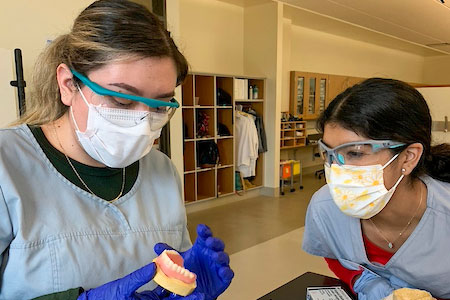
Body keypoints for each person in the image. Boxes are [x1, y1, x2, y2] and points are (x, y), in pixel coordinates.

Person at [0, 1, 233, 299]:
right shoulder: (7, 165)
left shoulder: (161, 170)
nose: (142, 122)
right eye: (122, 101)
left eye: (160, 104)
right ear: (69, 84)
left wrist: (181, 287)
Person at [302, 78, 450, 300]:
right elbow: (335, 255)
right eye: (329, 153)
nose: (337, 170)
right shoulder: (325, 207)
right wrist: (370, 285)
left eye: (355, 153)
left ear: (408, 157)